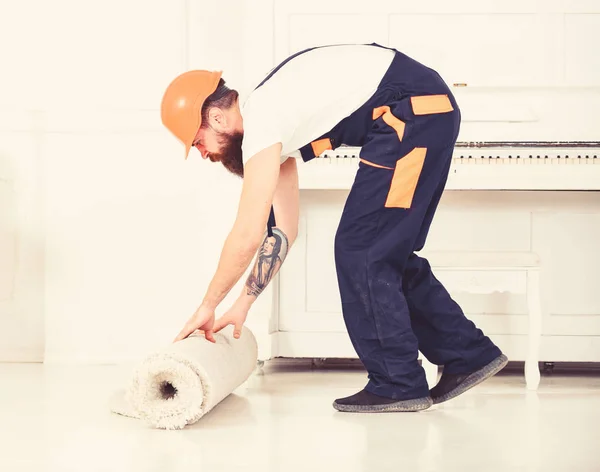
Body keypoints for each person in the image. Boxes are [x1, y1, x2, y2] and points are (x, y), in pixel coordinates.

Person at [161, 43, 507, 413]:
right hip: (422, 112)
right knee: (383, 250)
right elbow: (283, 231)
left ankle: (398, 383)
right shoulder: (275, 124)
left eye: (197, 142)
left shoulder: (263, 118)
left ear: (215, 118)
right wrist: (242, 305)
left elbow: (245, 234)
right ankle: (466, 354)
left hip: (413, 112)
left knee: (363, 248)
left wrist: (208, 306)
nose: (203, 153)